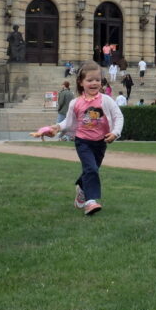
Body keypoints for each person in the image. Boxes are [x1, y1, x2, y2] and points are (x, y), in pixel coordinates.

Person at [33, 61, 123, 216]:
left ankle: (81, 189)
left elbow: (118, 116)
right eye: (90, 80)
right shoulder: (75, 103)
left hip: (101, 142)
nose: (94, 83)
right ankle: (90, 202)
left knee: (92, 170)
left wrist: (115, 132)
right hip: (83, 142)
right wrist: (55, 128)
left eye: (97, 80)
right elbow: (68, 123)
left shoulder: (106, 100)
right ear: (81, 83)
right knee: (91, 169)